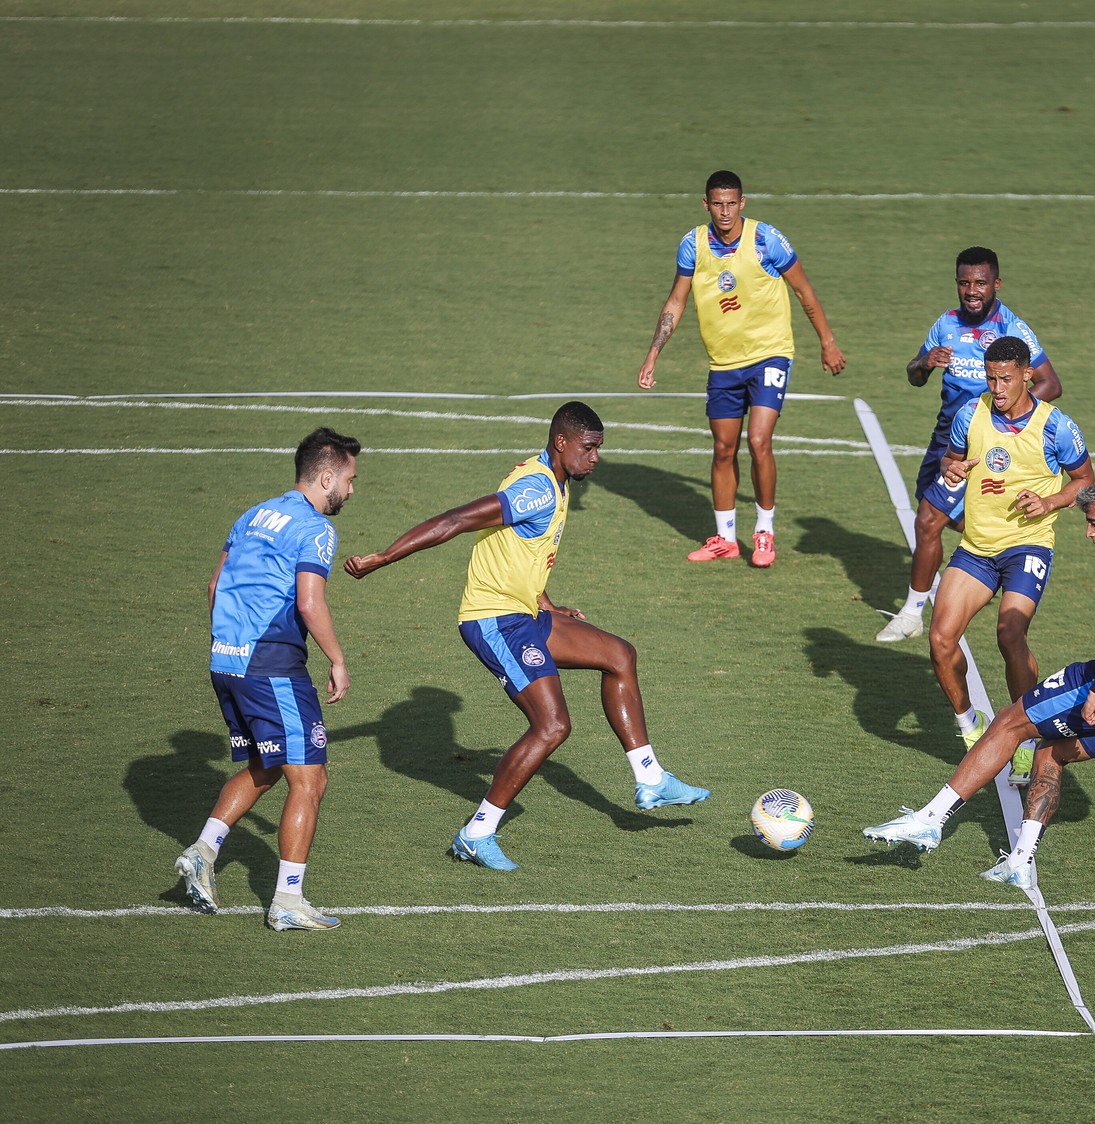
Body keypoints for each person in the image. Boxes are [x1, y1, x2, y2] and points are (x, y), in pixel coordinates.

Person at [342, 402, 709, 871]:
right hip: (494, 620)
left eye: (599, 449)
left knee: (619, 654)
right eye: (589, 448)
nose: (596, 458)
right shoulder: (535, 490)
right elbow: (453, 521)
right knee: (552, 726)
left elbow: (523, 552)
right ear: (561, 443)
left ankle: (651, 777)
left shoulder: (556, 479)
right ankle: (477, 833)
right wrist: (383, 558)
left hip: (526, 612)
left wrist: (545, 600)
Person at [863, 474, 1095, 893]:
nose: (1088, 533)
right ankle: (1020, 862)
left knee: (1010, 721)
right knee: (1051, 751)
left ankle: (929, 821)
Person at [175, 428, 359, 930]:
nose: (350, 489)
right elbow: (309, 601)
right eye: (348, 479)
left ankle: (202, 851)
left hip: (226, 660)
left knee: (268, 763)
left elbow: (215, 585)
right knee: (311, 777)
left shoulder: (251, 515)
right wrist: (337, 659)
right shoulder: (315, 529)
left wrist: (232, 644)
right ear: (326, 477)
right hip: (271, 666)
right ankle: (287, 901)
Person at [637, 169, 846, 567]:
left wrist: (827, 342)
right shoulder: (693, 245)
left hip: (770, 354)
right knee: (722, 448)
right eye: (717, 203)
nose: (725, 211)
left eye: (732, 203)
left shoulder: (766, 240)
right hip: (724, 364)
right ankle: (725, 538)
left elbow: (803, 289)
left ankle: (764, 532)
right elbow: (676, 301)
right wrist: (653, 354)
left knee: (758, 440)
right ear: (706, 205)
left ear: (743, 203)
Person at [925, 335, 1092, 787]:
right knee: (940, 639)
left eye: (1005, 379)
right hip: (977, 549)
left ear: (1026, 376)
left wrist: (1051, 500)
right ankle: (970, 726)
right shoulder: (970, 414)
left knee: (1010, 632)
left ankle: (1022, 736)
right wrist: (950, 469)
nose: (997, 388)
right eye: (990, 378)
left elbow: (1085, 481)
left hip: (1028, 547)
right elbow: (951, 459)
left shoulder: (1056, 427)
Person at [875, 246, 1061, 643]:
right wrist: (925, 364)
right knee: (945, 519)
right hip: (946, 440)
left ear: (996, 284)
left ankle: (912, 612)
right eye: (964, 283)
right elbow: (914, 374)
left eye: (980, 283)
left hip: (984, 448)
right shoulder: (945, 324)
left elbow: (1050, 383)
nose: (971, 291)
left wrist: (1006, 423)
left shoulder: (1013, 328)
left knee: (928, 520)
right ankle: (987, 569)